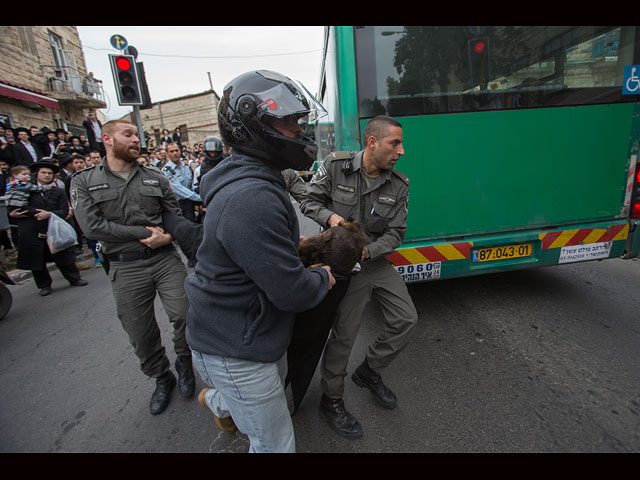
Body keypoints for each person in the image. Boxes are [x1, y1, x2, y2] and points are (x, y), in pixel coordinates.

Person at [185, 70, 334, 453]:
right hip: (236, 347)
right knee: (275, 445)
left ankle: (221, 402)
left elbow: (248, 251)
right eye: (287, 122)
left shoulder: (256, 180)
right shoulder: (252, 197)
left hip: (248, 334)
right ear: (252, 127)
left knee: (274, 383)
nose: (299, 130)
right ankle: (228, 400)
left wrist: (286, 245)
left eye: (300, 120)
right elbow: (292, 293)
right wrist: (323, 277)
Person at [299, 114, 418, 439]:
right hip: (341, 265)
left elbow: (397, 233)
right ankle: (332, 399)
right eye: (395, 143)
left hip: (373, 261)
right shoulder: (336, 165)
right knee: (344, 335)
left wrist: (368, 251)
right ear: (372, 142)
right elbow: (308, 200)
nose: (401, 151)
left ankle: (370, 371)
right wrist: (333, 218)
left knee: (406, 319)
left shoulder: (399, 184)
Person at [71, 119, 195, 416]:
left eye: (137, 135)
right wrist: (143, 233)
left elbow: (173, 216)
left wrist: (167, 235)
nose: (135, 139)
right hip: (125, 266)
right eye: (128, 134)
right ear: (107, 139)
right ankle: (162, 377)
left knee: (186, 313)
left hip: (164, 258)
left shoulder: (156, 177)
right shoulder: (84, 181)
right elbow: (93, 227)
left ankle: (184, 361)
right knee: (141, 332)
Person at [8, 161, 88, 296]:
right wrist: (21, 213)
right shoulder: (25, 189)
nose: (47, 175)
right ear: (36, 174)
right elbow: (16, 207)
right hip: (32, 230)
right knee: (36, 260)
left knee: (64, 257)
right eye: (43, 173)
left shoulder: (58, 191)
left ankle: (74, 278)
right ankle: (44, 285)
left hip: (53, 229)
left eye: (49, 173)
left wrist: (49, 214)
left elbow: (64, 211)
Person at [161, 143, 201, 222]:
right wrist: (199, 198)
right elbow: (180, 190)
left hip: (189, 203)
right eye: (171, 151)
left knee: (192, 226)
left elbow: (192, 184)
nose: (175, 153)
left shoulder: (186, 166)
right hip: (177, 205)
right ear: (167, 154)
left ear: (180, 151)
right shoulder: (166, 171)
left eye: (176, 150)